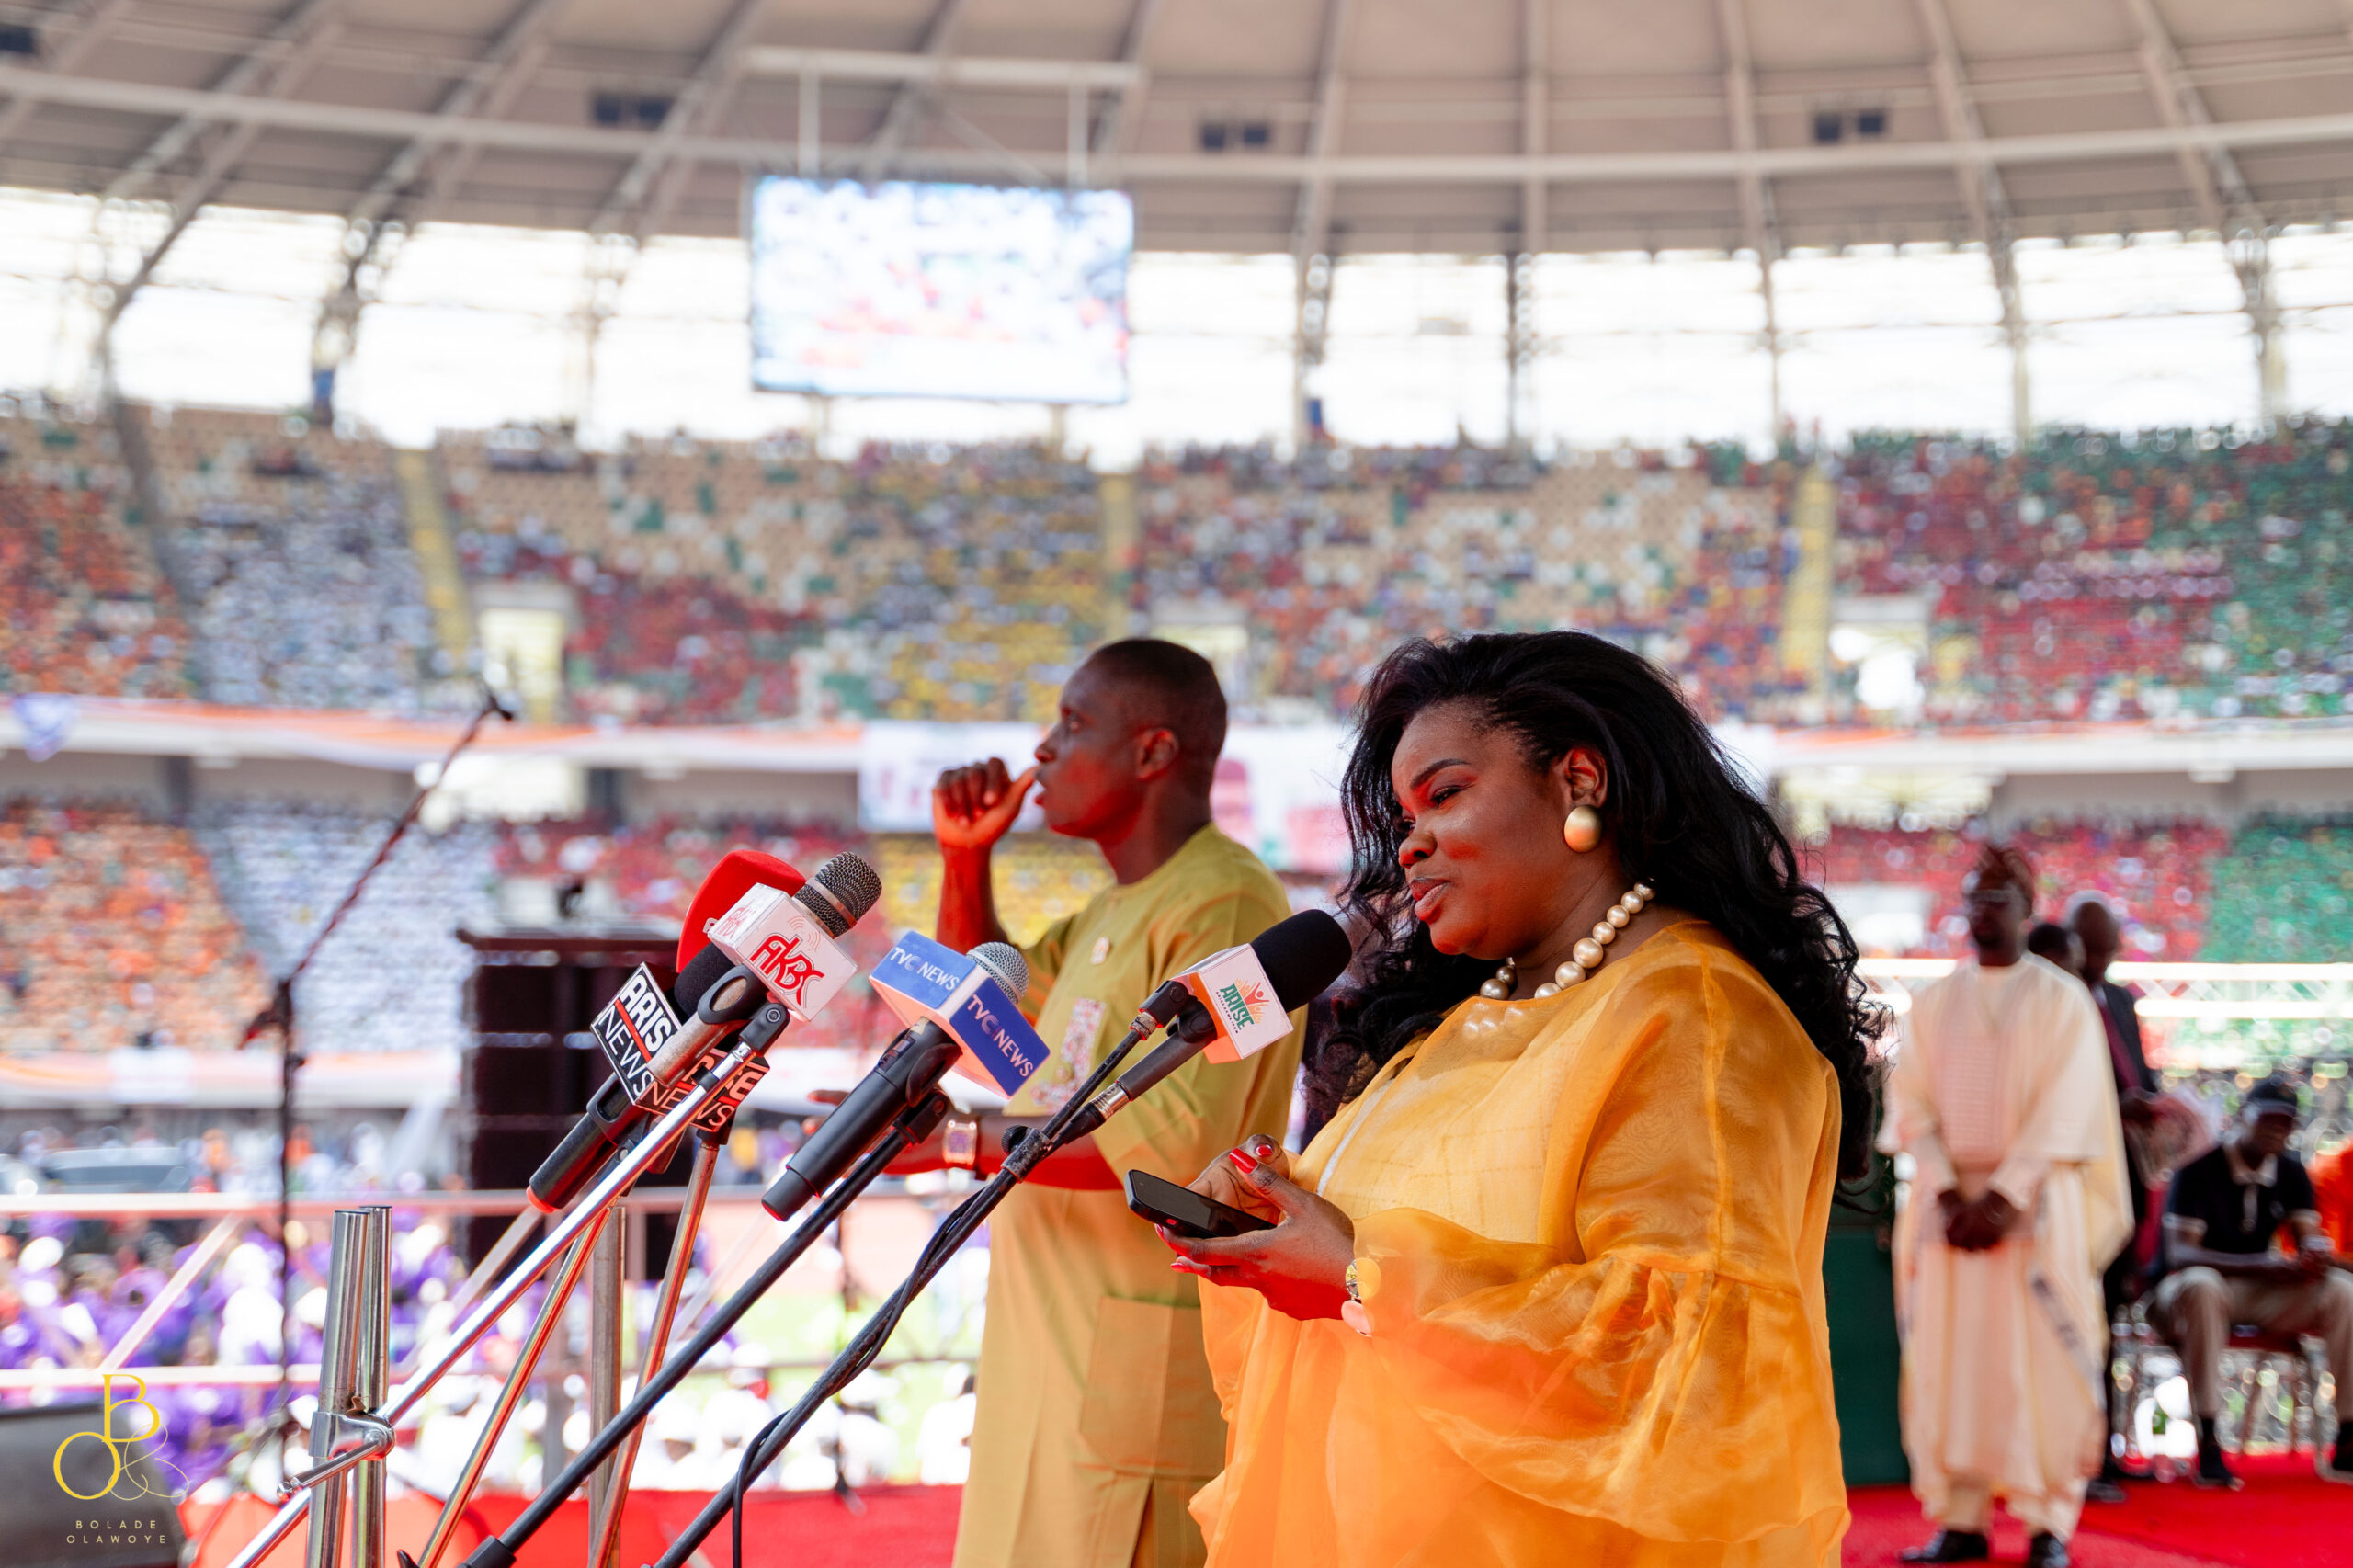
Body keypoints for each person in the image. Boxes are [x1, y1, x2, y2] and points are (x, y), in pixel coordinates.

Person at [1156, 631, 1877, 1566]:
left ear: (1578, 780)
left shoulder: (1698, 1012)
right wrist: (1273, 1217)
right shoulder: (1460, 1023)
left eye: (1445, 794)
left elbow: (1694, 1361)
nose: (1410, 843)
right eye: (1403, 816)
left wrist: (1358, 1279)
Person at [911, 639, 1304, 1568]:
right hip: (1041, 1372)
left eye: (1073, 723)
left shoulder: (1230, 906)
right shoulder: (1105, 913)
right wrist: (965, 859)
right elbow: (982, 1015)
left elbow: (1165, 1149)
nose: (1041, 749)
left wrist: (954, 1143)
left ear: (1153, 751)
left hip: (1129, 1391)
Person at [1881, 845, 2129, 1568]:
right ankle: (1960, 1518)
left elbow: (2066, 1111)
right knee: (1949, 1361)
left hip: (2034, 1206)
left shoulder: (2062, 1000)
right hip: (1949, 1212)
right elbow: (1911, 1105)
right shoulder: (1934, 1002)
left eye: (1997, 899)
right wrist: (1949, 1190)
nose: (1982, 911)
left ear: (2026, 911)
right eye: (1974, 898)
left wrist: (2000, 1198)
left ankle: (2048, 1524)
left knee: (2041, 1361)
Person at [2147, 1078, 2353, 1487]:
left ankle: (2349, 1434)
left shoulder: (2291, 1172)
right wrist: (2261, 1264)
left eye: (2286, 1122)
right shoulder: (2199, 1169)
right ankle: (2208, 1437)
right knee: (2203, 1284)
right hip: (2182, 1295)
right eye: (2268, 1119)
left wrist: (2314, 1255)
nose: (2277, 1130)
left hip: (2253, 1291)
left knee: (2342, 1292)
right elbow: (2179, 1254)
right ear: (2242, 1116)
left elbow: (2308, 1236)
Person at [2066, 892, 2167, 1489]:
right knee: (2080, 1321)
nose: (2100, 960)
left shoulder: (2123, 1001)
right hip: (2078, 1188)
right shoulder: (2056, 1000)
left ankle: (2107, 1448)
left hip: (2128, 1184)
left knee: (2111, 1320)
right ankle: (2082, 1456)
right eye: (2091, 949)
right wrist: (2113, 1106)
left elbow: (2140, 1074)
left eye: (2108, 949)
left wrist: (2156, 1103)